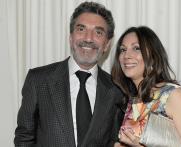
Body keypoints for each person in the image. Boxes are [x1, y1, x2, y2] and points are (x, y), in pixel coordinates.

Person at [14, 2, 125, 147]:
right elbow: (24, 138)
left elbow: (115, 141)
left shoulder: (116, 89)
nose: (88, 38)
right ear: (71, 37)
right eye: (81, 29)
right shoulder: (38, 80)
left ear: (107, 44)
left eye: (98, 32)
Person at [112, 26, 181, 147]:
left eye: (136, 48)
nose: (126, 55)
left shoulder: (172, 95)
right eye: (123, 50)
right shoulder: (131, 100)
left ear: (153, 55)